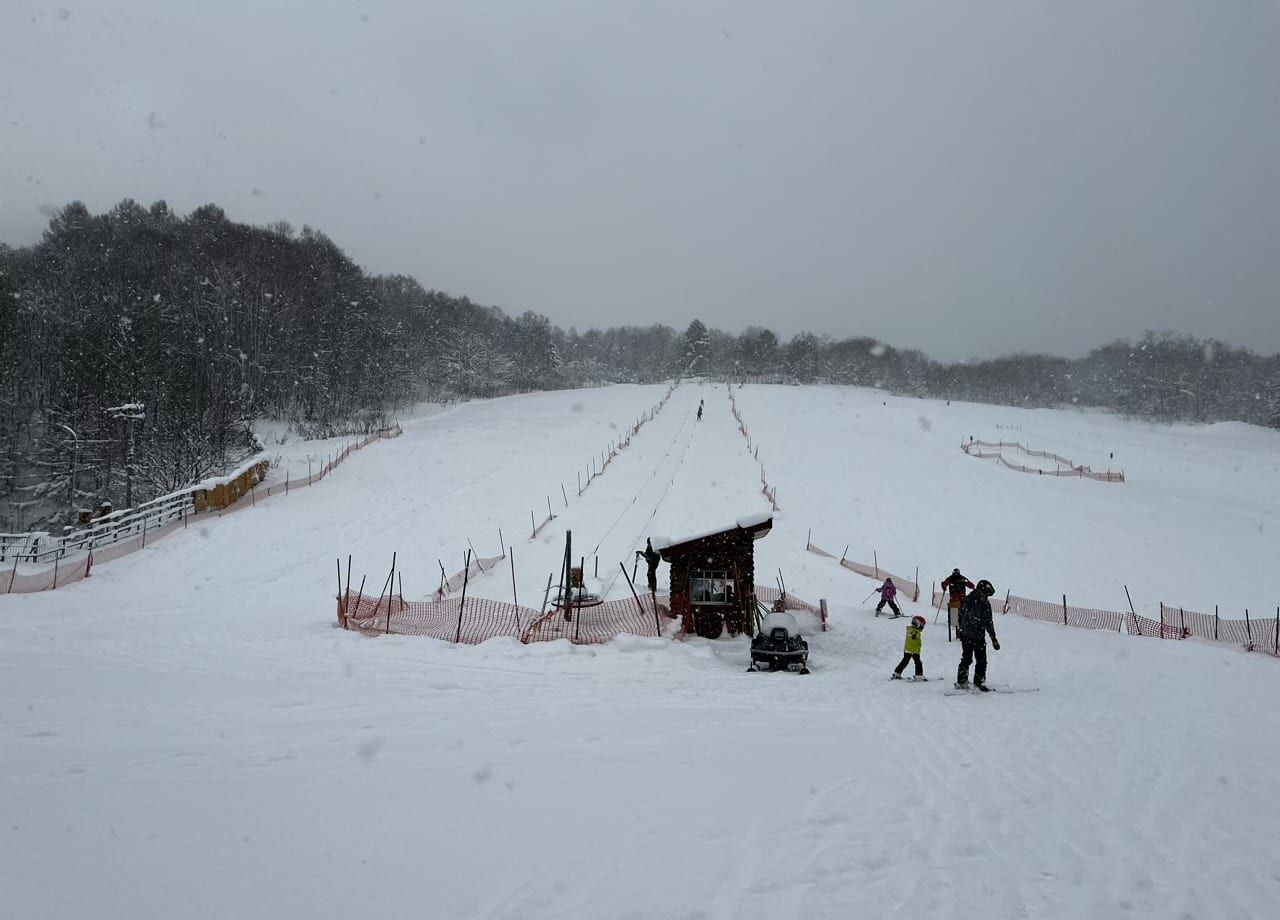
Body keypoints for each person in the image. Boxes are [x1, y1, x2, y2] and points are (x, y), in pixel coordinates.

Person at [956, 579, 1000, 690]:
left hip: (965, 635)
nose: (987, 596)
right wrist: (993, 638)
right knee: (981, 660)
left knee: (966, 658)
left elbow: (960, 615)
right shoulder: (984, 603)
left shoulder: (967, 599)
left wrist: (961, 630)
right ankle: (978, 682)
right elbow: (988, 622)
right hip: (977, 636)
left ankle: (962, 681)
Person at [891, 615, 927, 680]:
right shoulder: (914, 631)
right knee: (918, 662)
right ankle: (919, 675)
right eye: (922, 625)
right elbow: (912, 636)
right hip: (913, 650)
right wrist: (914, 635)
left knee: (905, 661)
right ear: (918, 624)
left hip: (909, 649)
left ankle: (897, 672)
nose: (922, 627)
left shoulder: (911, 629)